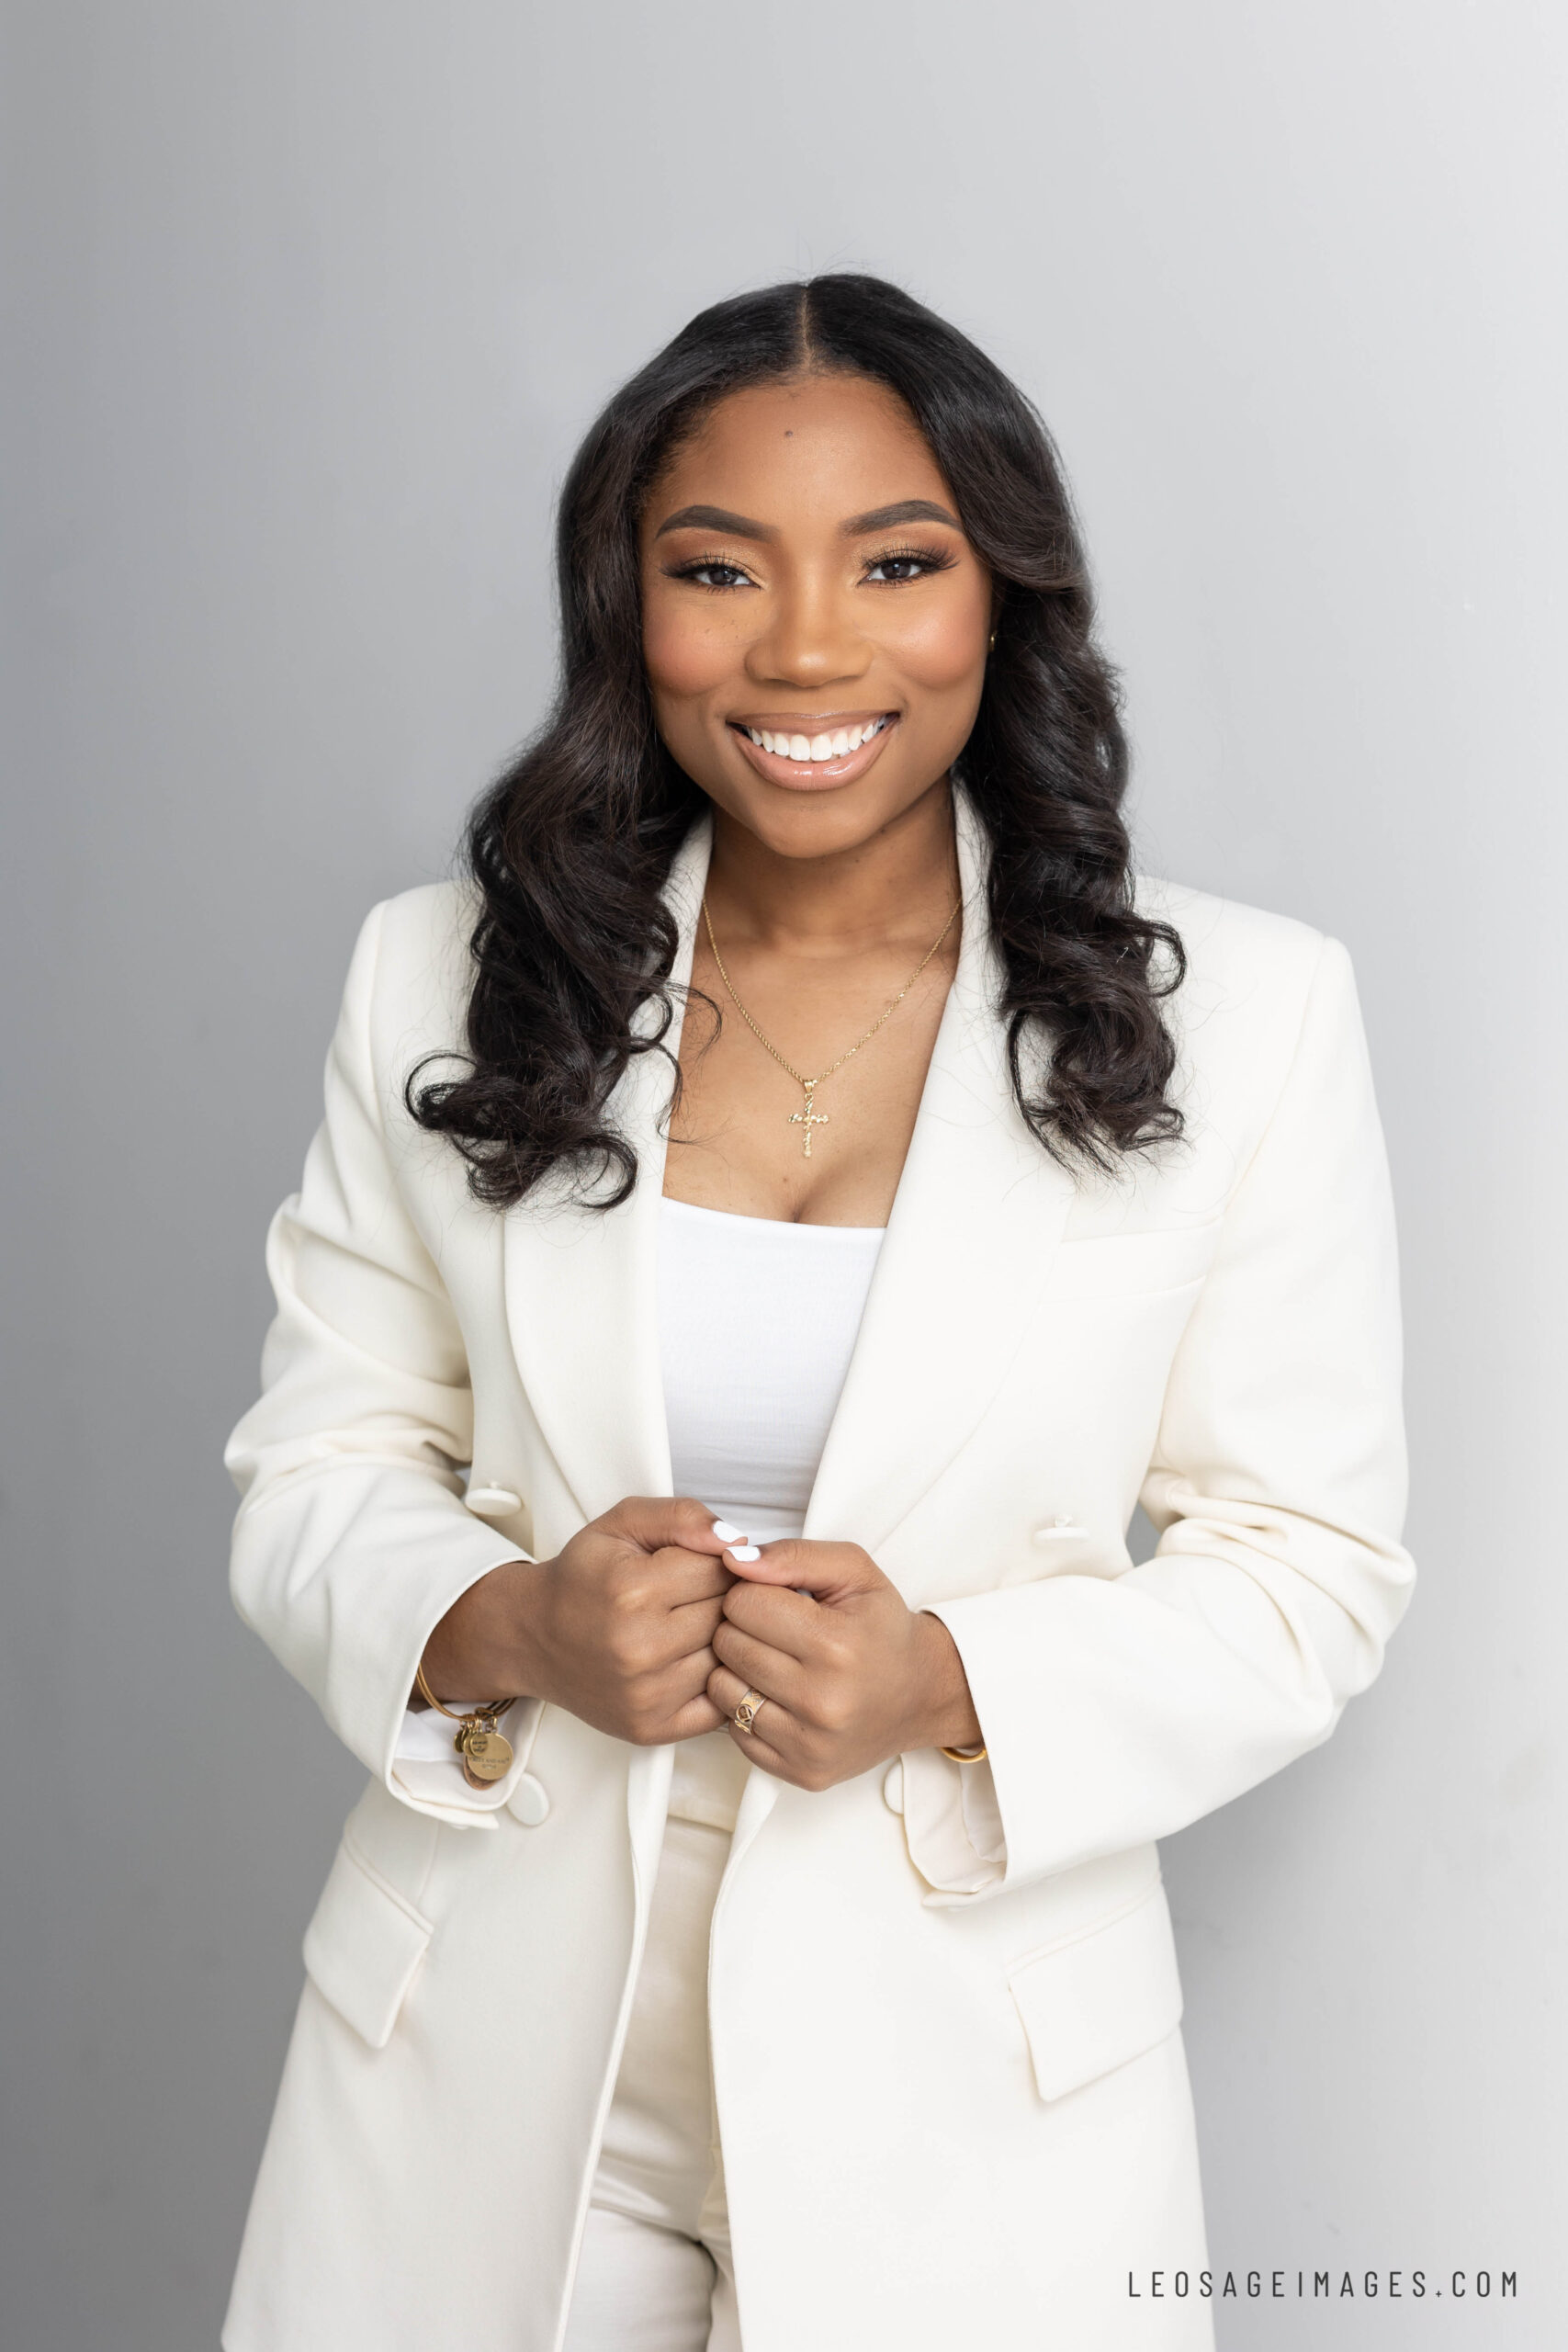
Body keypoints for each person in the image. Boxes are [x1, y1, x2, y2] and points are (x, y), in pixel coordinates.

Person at [220, 274, 1414, 2352]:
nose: (800, 648)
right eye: (715, 570)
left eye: (892, 562)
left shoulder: (1248, 1018)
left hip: (968, 2080)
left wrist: (949, 1676)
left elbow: (1307, 1564)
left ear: (999, 598)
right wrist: (509, 1626)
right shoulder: (439, 975)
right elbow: (314, 1466)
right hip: (484, 2065)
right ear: (628, 607)